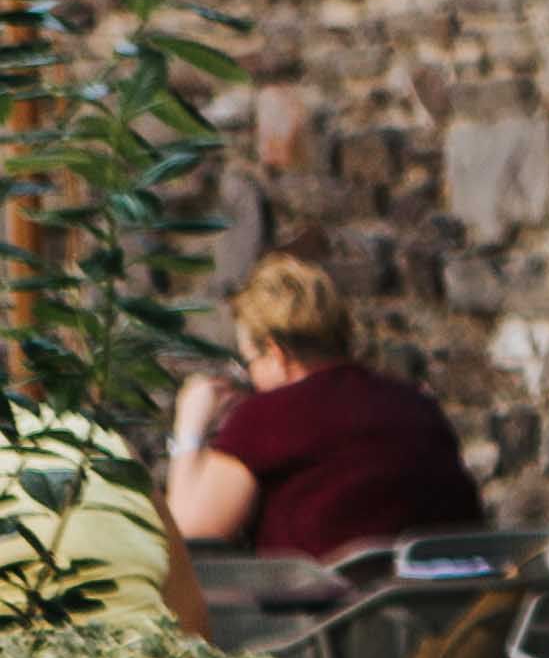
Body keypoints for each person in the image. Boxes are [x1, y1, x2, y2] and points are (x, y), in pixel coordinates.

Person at [161, 258, 481, 565]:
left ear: (275, 353)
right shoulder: (417, 405)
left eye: (248, 363)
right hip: (443, 612)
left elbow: (190, 533)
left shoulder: (267, 418)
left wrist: (190, 427)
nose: (251, 379)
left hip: (322, 616)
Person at [0, 406, 210, 634]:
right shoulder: (103, 443)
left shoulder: (103, 445)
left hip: (111, 656)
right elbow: (192, 624)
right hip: (147, 656)